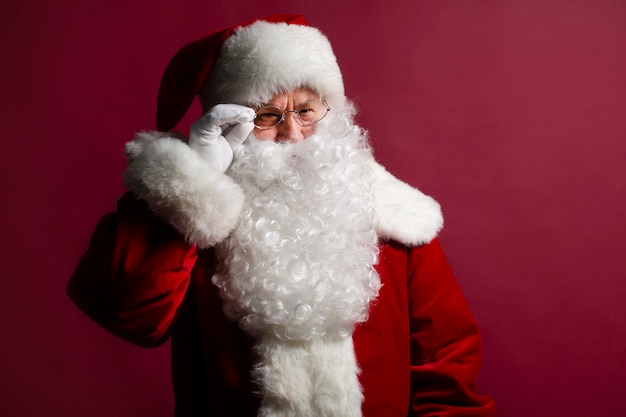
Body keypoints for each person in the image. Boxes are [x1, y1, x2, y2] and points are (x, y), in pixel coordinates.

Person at [68, 13, 495, 417]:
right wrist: (193, 182)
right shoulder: (188, 217)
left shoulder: (395, 216)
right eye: (267, 116)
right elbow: (124, 312)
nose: (292, 135)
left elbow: (445, 364)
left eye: (307, 111)